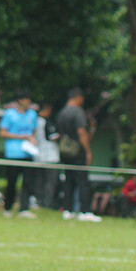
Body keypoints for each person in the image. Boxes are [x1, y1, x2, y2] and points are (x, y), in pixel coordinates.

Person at [57, 88, 101, 222]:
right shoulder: (77, 112)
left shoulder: (62, 112)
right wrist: (87, 151)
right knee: (83, 181)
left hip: (65, 150)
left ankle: (68, 210)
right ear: (78, 97)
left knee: (69, 180)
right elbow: (81, 132)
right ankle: (85, 211)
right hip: (77, 150)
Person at [0, 91, 38, 218]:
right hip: (13, 154)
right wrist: (22, 137)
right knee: (12, 182)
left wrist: (31, 140)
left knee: (27, 182)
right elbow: (2, 133)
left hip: (28, 154)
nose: (28, 102)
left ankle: (24, 209)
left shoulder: (33, 115)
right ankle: (8, 207)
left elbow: (33, 132)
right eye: (25, 99)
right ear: (19, 100)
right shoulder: (9, 114)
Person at [27, 101, 61, 210]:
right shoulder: (46, 122)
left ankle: (38, 201)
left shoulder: (34, 121)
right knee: (51, 182)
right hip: (51, 157)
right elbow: (53, 137)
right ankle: (47, 204)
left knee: (39, 181)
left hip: (38, 156)